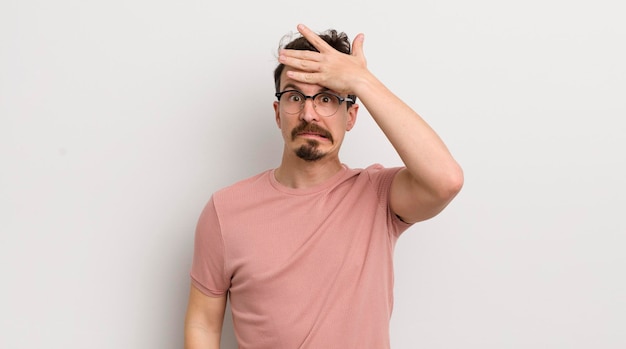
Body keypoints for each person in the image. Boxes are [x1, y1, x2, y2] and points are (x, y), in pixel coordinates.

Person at [184, 24, 463, 349]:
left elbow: (446, 180)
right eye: (294, 96)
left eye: (328, 98)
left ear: (351, 116)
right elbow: (202, 325)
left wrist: (361, 80)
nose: (309, 113)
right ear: (277, 113)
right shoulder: (225, 210)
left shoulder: (378, 197)